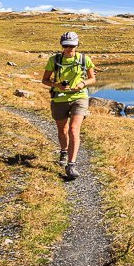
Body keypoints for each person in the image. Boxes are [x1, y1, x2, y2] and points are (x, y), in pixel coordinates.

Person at [41, 31, 96, 179]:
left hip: (80, 97)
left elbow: (92, 79)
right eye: (66, 45)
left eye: (72, 45)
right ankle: (64, 151)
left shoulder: (85, 59)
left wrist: (83, 83)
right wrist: (56, 85)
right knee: (62, 129)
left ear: (77, 45)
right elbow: (44, 80)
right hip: (59, 99)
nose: (69, 48)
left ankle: (71, 165)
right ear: (62, 45)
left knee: (73, 130)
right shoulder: (54, 60)